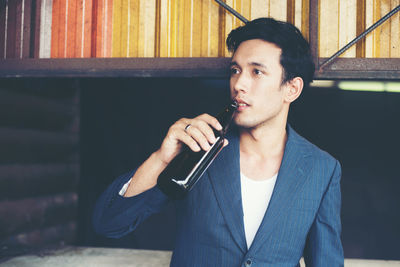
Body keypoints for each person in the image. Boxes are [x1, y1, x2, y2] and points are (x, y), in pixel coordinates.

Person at [93, 18, 344, 266]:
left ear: (292, 89)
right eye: (235, 71)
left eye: (257, 72)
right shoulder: (199, 146)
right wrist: (162, 157)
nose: (239, 84)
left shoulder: (322, 168)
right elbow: (108, 223)